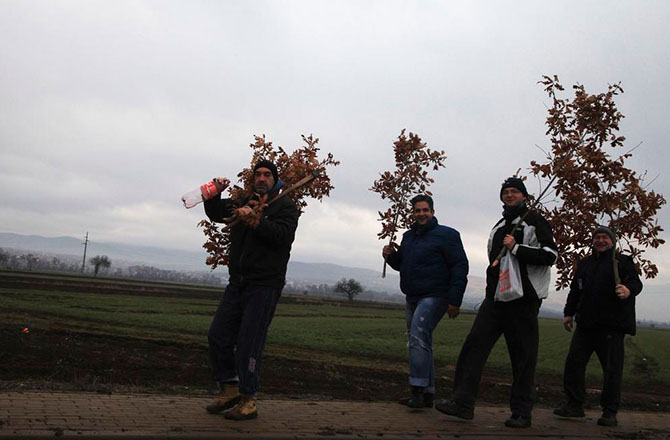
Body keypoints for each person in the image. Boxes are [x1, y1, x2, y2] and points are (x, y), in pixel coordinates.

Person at [436, 177, 558, 428]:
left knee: (523, 357)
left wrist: (517, 248)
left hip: (523, 300)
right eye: (506, 192)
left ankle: (522, 413)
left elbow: (550, 256)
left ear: (525, 196)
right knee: (474, 347)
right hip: (495, 300)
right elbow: (495, 262)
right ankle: (462, 403)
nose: (510, 195)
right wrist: (490, 291)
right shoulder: (501, 224)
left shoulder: (535, 221)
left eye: (515, 191)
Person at [202, 160, 299, 420]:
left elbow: (281, 236)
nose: (261, 178)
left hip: (265, 285)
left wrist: (256, 220)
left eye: (267, 174)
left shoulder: (286, 207)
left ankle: (249, 399)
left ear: (275, 179)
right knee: (218, 336)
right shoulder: (244, 200)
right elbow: (217, 214)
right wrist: (212, 196)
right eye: (258, 174)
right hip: (238, 282)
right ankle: (230, 388)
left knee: (249, 344)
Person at [383, 194, 469, 409]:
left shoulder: (447, 235)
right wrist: (390, 256)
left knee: (417, 337)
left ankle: (417, 390)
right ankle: (428, 393)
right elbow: (403, 265)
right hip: (412, 296)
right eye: (417, 210)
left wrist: (455, 300)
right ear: (413, 212)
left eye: (425, 210)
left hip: (436, 295)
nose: (421, 214)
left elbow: (460, 266)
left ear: (432, 212)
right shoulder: (408, 237)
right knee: (422, 341)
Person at [553, 226, 642, 427]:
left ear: (612, 241)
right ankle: (574, 405)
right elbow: (575, 290)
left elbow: (637, 284)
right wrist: (568, 313)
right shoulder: (585, 264)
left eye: (605, 237)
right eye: (597, 237)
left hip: (611, 327)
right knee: (573, 365)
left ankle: (609, 411)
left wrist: (627, 289)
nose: (600, 240)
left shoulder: (622, 262)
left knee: (611, 371)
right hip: (585, 325)